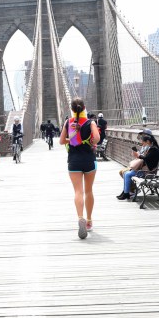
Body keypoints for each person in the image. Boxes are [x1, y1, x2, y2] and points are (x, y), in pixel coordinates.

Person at [60, 97, 100, 239]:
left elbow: (60, 141)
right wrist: (90, 141)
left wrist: (72, 139)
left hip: (74, 160)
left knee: (78, 191)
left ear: (72, 109)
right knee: (89, 191)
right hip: (89, 159)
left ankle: (80, 217)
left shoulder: (68, 122)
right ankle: (89, 221)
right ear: (84, 108)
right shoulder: (91, 122)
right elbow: (97, 138)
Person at [116, 131, 159, 200]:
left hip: (148, 172)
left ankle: (126, 193)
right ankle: (126, 192)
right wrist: (139, 155)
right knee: (126, 173)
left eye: (143, 142)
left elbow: (146, 158)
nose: (142, 143)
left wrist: (139, 156)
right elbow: (147, 158)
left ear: (148, 141)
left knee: (127, 174)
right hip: (146, 169)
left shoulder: (154, 149)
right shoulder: (152, 148)